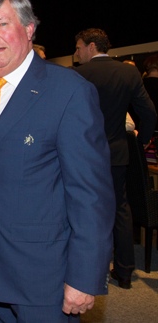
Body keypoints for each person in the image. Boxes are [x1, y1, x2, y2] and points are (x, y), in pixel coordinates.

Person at [0, 0, 115, 321]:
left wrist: (84, 276)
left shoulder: (69, 91)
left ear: (29, 28)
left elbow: (91, 194)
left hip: (43, 277)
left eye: (2, 24)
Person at [74, 28, 156, 289]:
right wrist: (141, 142)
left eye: (78, 47)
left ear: (91, 46)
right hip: (118, 153)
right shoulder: (128, 72)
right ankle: (124, 271)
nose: (76, 53)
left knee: (85, 210)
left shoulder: (78, 75)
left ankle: (90, 270)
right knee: (121, 208)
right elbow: (149, 113)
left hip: (84, 155)